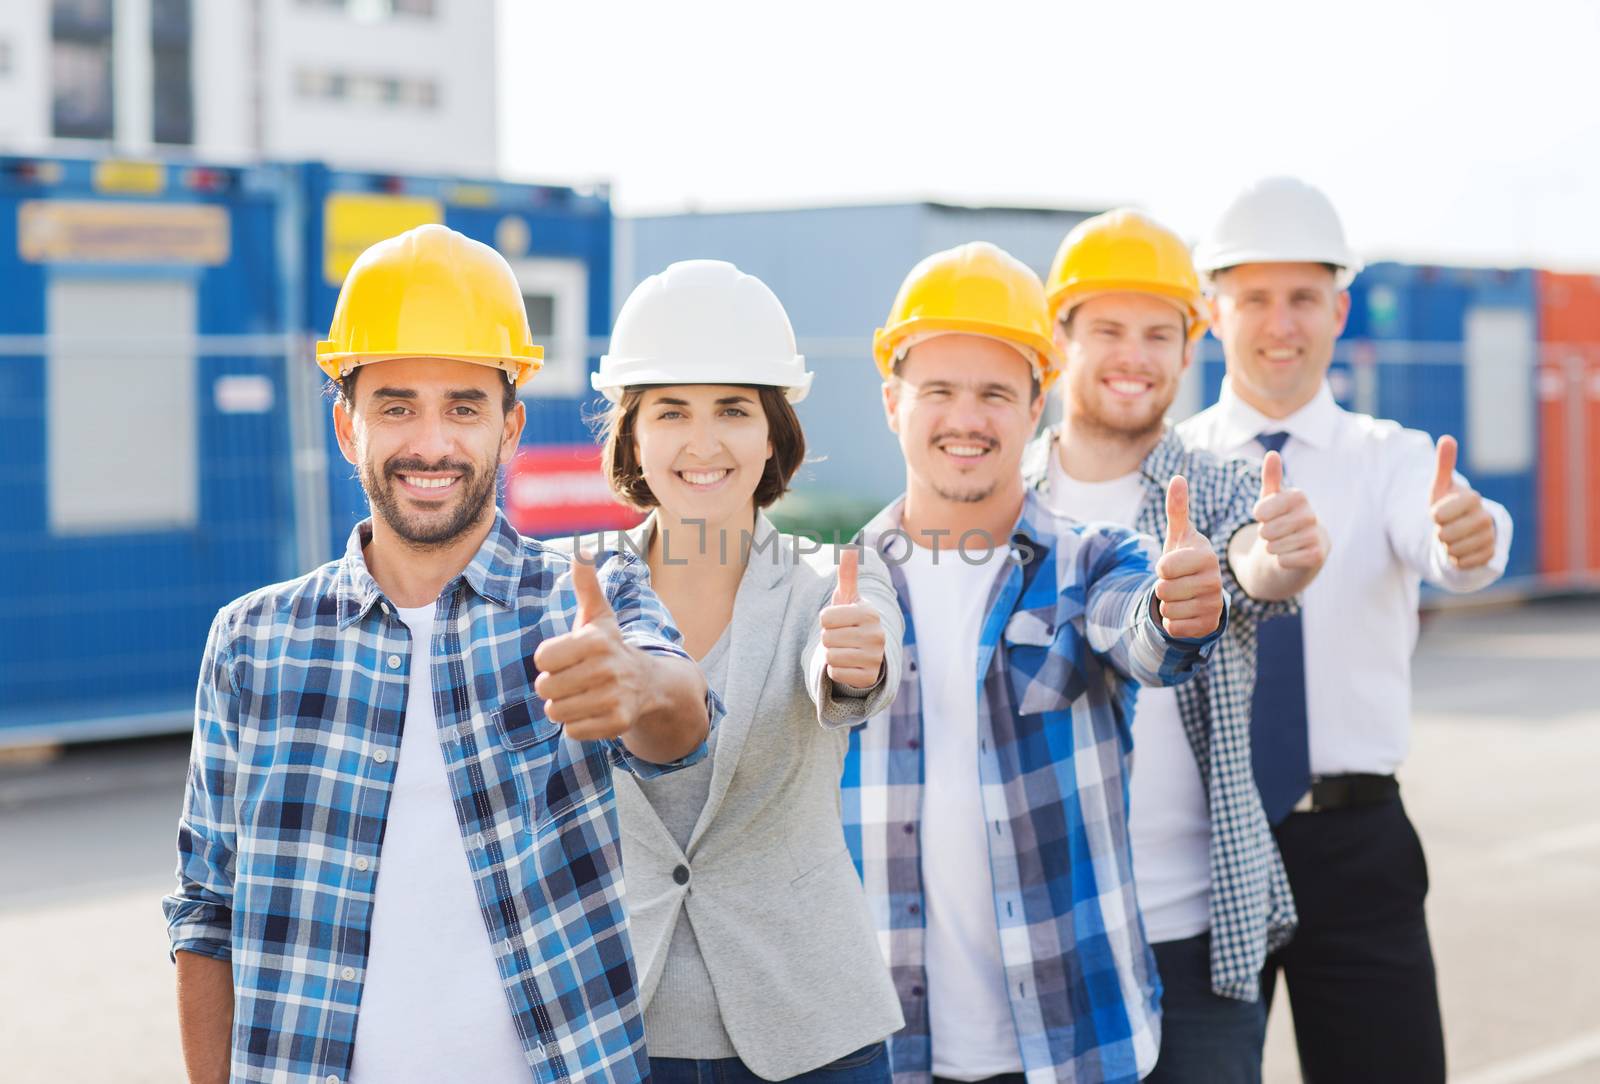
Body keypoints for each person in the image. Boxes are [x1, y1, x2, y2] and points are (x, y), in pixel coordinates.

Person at [163, 224, 717, 1084]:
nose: (431, 442)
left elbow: (685, 722)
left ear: (510, 426)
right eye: (396, 406)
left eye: (464, 406)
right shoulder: (252, 642)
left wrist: (638, 686)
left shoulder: (587, 596)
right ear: (348, 427)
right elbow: (207, 910)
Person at [842, 241, 1230, 1084]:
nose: (967, 419)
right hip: (888, 1052)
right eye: (938, 390)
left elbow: (1142, 632)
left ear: (1035, 402)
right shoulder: (838, 583)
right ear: (891, 401)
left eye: (995, 393)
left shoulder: (1093, 561)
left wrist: (1178, 612)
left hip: (1075, 1044)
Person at [1181, 177, 1513, 1083]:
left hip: (1357, 846)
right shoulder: (1169, 471)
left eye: (1302, 298)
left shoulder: (1393, 459)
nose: (1279, 323)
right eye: (1254, 298)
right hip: (1203, 842)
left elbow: (1456, 538)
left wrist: (1472, 537)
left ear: (1340, 309)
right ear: (1214, 311)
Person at [566, 259, 905, 1082]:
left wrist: (853, 666)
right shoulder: (568, 586)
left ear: (773, 434)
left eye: (734, 410)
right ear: (633, 436)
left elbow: (851, 669)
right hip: (616, 1025)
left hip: (814, 1030)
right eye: (671, 411)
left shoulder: (834, 582)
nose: (704, 442)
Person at [1020, 209, 1330, 1083]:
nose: (1136, 355)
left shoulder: (1226, 485)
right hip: (1043, 935)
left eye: (1161, 334)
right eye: (1110, 330)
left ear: (1189, 350)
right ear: (1058, 339)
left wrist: (1276, 557)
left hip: (1196, 935)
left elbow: (1251, 564)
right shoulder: (1005, 501)